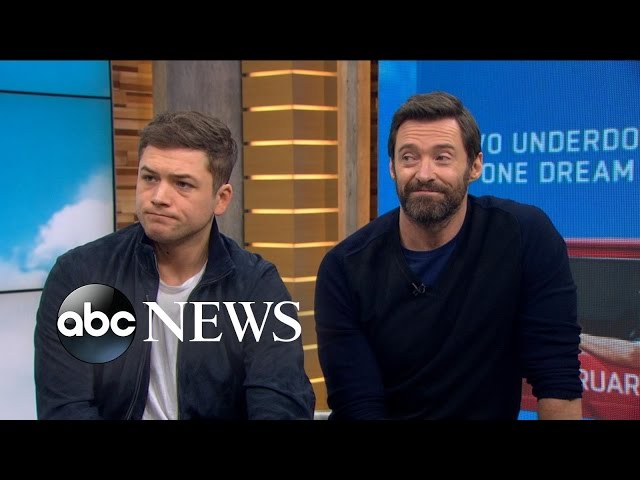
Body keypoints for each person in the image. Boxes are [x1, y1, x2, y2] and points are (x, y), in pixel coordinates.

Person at [314, 92, 583, 420]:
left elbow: (557, 377)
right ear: (392, 168)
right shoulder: (345, 268)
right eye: (409, 157)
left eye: (442, 157)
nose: (424, 173)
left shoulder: (524, 236)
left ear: (475, 166)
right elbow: (357, 404)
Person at [34, 111, 315, 419]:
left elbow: (280, 405)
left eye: (182, 184)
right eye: (149, 178)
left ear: (221, 198)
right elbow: (66, 407)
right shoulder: (82, 276)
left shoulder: (255, 286)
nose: (159, 197)